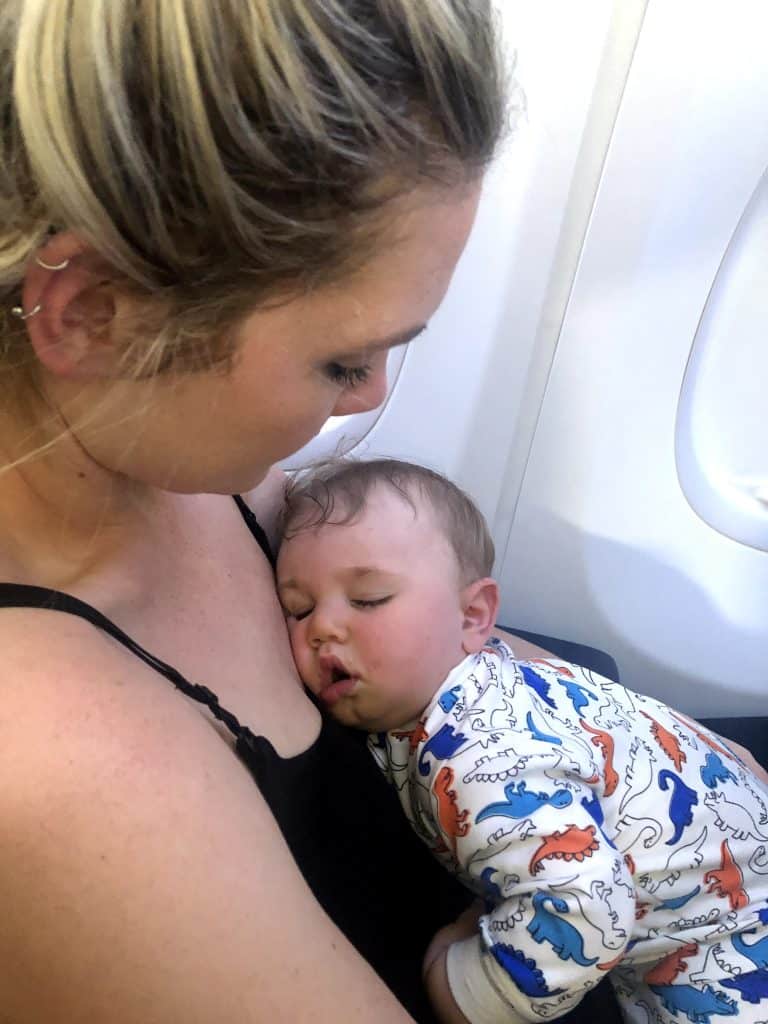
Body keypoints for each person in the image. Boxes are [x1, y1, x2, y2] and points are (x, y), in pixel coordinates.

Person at [0, 3, 535, 1021]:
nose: (371, 394)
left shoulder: (196, 468)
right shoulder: (53, 768)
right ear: (92, 315)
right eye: (340, 359)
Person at [276, 457, 768, 1024]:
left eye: (367, 600)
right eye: (298, 609)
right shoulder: (484, 678)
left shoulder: (484, 759)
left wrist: (461, 986)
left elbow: (586, 912)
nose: (323, 627)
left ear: (473, 616)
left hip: (726, 936)